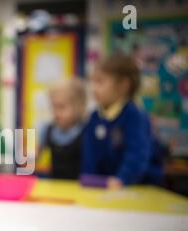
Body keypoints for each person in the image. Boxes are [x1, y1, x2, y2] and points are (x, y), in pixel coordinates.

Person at [82, 54, 163, 189]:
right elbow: (89, 155)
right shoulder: (94, 117)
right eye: (92, 81)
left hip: (141, 188)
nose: (93, 88)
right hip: (107, 189)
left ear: (123, 84)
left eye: (100, 82)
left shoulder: (134, 116)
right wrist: (89, 180)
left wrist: (122, 178)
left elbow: (137, 155)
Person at [39, 78, 86, 179]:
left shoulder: (86, 131)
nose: (56, 113)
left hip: (79, 191)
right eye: (53, 107)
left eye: (61, 107)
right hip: (55, 189)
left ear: (79, 107)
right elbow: (29, 159)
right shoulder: (47, 130)